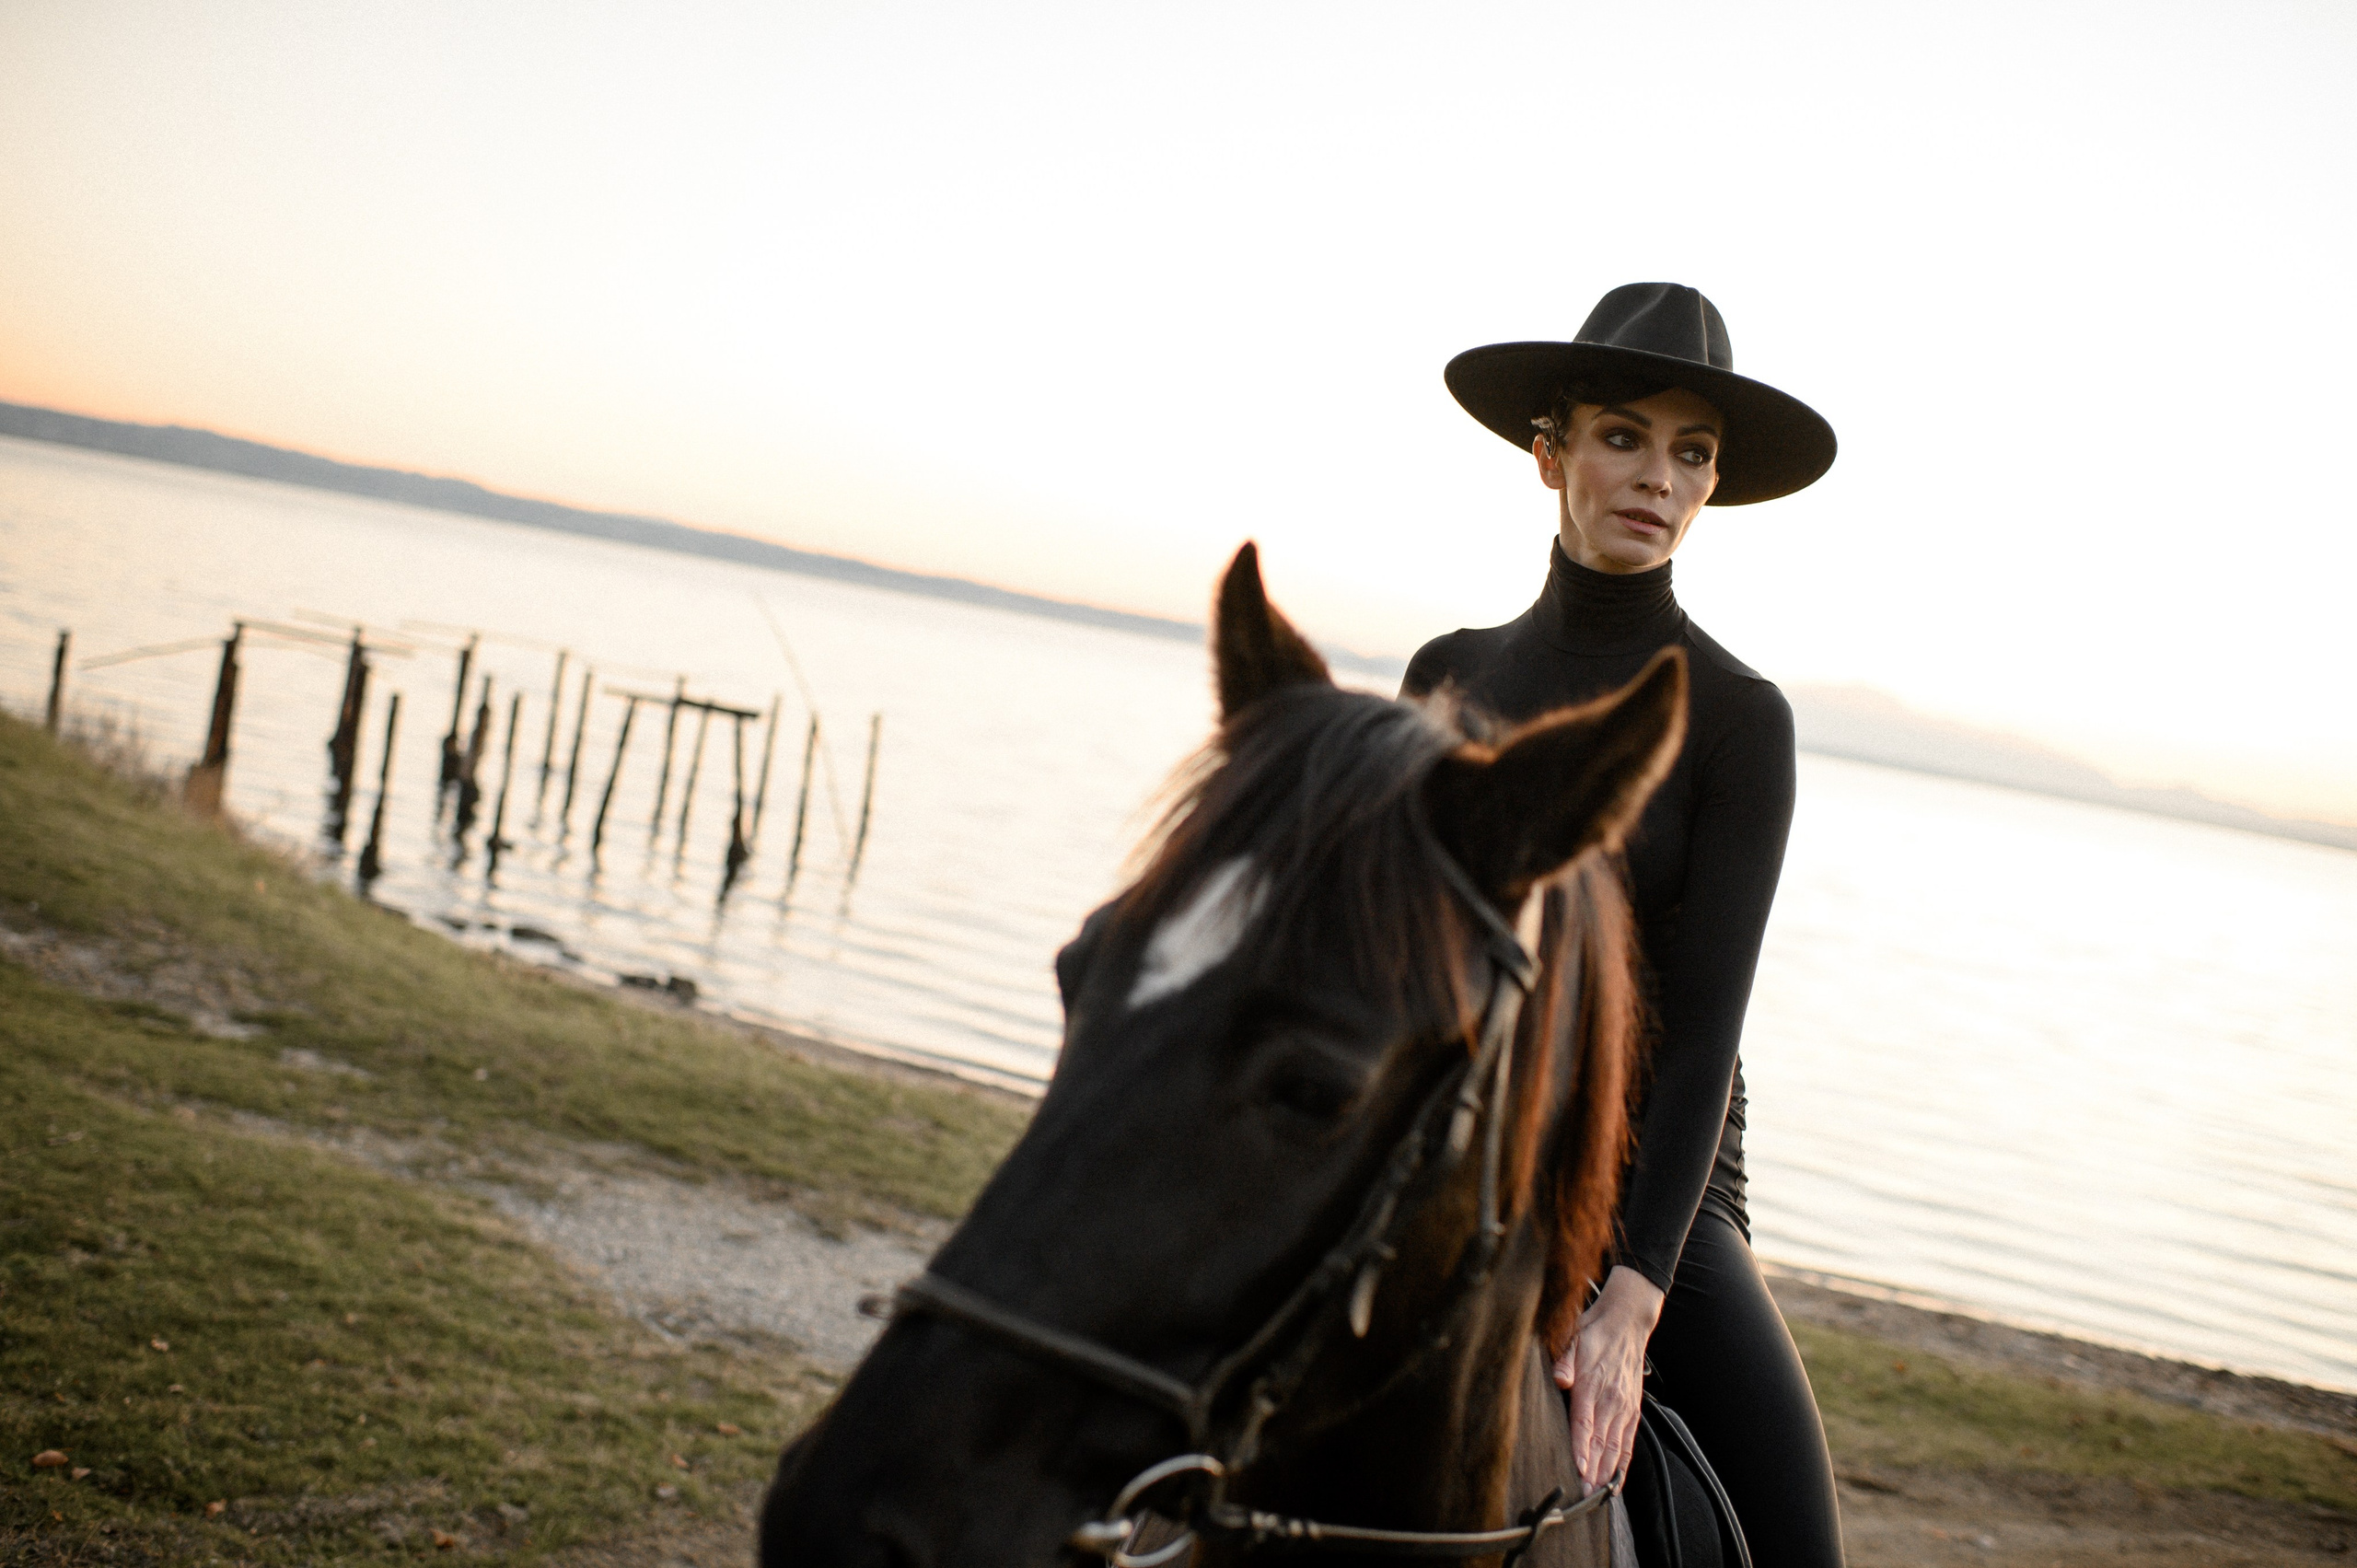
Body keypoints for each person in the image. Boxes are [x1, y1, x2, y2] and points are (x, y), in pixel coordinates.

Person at [1402, 283, 1844, 1566]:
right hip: (1464, 1144)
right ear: (1550, 453)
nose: (1659, 477)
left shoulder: (1739, 718)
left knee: (1798, 1546)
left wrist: (1636, 1294)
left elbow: (1708, 1032)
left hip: (1659, 1180)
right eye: (1623, 437)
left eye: (1691, 452)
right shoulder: (1449, 675)